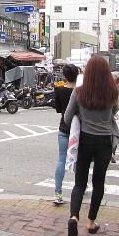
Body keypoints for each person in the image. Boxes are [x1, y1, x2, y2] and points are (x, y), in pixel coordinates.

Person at [64, 56, 119, 236]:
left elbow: (67, 117)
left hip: (85, 140)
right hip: (104, 142)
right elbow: (115, 112)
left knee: (80, 183)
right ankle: (91, 221)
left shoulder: (79, 92)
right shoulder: (113, 92)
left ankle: (73, 217)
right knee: (98, 182)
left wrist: (81, 115)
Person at [53, 64, 79, 204]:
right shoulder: (81, 91)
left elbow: (58, 109)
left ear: (64, 76)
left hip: (64, 128)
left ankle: (58, 193)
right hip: (79, 131)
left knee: (62, 159)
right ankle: (80, 188)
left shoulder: (59, 90)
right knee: (80, 161)